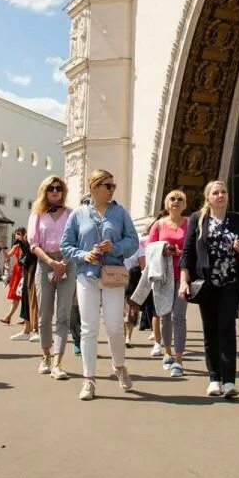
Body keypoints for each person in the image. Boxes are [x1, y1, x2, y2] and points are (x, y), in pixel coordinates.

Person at [60, 169, 139, 401]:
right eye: (108, 185)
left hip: (113, 276)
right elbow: (66, 245)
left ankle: (119, 366)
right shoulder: (78, 214)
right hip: (87, 276)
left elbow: (133, 241)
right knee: (89, 328)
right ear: (94, 187)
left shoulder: (120, 213)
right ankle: (89, 379)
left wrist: (115, 247)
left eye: (114, 186)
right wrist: (84, 255)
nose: (112, 190)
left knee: (114, 327)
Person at [179, 180, 239, 398]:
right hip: (206, 283)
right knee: (210, 331)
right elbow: (188, 252)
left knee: (227, 329)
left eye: (223, 192)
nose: (220, 195)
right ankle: (214, 379)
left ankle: (229, 381)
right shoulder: (197, 219)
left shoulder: (236, 219)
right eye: (216, 192)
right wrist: (184, 280)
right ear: (208, 198)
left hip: (230, 282)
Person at [30, 175, 75, 379]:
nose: (55, 191)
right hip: (45, 262)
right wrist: (51, 263)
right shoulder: (37, 214)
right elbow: (33, 244)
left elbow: (76, 241)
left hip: (67, 263)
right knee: (44, 314)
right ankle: (46, 356)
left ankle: (58, 361)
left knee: (64, 313)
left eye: (58, 188)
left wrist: (63, 263)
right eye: (51, 188)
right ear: (44, 191)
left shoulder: (71, 214)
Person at [149, 189, 189, 377]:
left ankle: (179, 360)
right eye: (172, 198)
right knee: (164, 315)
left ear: (184, 204)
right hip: (163, 276)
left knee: (179, 316)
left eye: (180, 199)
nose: (176, 201)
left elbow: (195, 247)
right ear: (166, 203)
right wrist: (164, 250)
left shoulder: (190, 223)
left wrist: (182, 253)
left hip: (182, 275)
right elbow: (149, 248)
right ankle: (167, 352)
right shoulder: (158, 225)